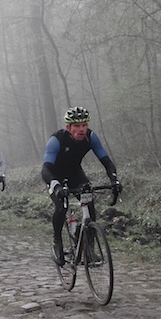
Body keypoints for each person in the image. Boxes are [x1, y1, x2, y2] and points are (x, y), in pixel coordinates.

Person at [41, 106, 120, 266]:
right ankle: (57, 241)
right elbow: (46, 168)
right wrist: (56, 186)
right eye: (77, 126)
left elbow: (106, 161)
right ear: (68, 127)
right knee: (61, 207)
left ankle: (89, 249)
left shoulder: (91, 137)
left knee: (89, 202)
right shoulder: (57, 140)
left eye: (84, 125)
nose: (81, 129)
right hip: (54, 175)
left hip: (75, 173)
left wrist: (114, 180)